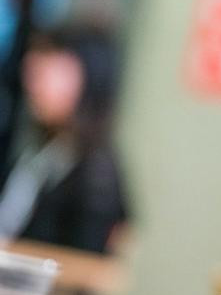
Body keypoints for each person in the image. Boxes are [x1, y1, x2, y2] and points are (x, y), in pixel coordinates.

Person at [0, 22, 128, 253]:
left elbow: (88, 262)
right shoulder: (42, 151)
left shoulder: (97, 176)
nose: (33, 78)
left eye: (51, 64)